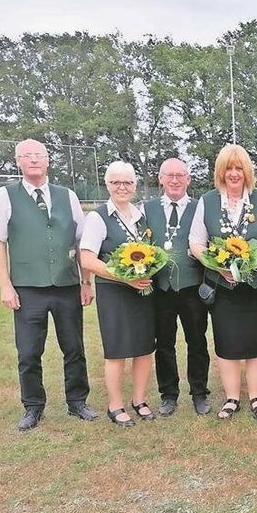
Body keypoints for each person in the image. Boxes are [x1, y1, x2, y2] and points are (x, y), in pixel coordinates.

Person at [0, 138, 97, 431]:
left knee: (74, 347)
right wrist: (5, 286)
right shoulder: (5, 196)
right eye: (27, 156)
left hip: (66, 285)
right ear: (18, 161)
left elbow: (81, 241)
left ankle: (77, 401)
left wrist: (86, 281)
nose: (33, 160)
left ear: (48, 161)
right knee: (29, 352)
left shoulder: (67, 195)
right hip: (27, 288)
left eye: (39, 155)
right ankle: (33, 406)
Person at [190, 144, 257, 421]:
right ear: (221, 171)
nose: (234, 173)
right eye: (229, 167)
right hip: (223, 288)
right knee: (227, 343)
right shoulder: (207, 201)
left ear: (247, 171)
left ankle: (256, 397)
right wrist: (216, 264)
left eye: (239, 167)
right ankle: (231, 398)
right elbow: (196, 242)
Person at [79, 161, 157, 427]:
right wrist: (125, 277)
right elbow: (87, 259)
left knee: (145, 348)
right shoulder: (98, 217)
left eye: (127, 183)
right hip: (114, 294)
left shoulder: (141, 216)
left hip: (143, 292)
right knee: (117, 351)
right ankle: (115, 405)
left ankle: (139, 400)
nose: (122, 187)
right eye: (116, 183)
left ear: (134, 185)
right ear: (107, 185)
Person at [142, 158, 211, 417]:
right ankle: (168, 394)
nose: (174, 180)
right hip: (161, 288)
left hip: (192, 286)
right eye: (169, 175)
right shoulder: (147, 209)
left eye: (180, 176)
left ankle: (200, 392)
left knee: (197, 341)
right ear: (160, 179)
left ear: (188, 179)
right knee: (164, 343)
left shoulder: (199, 207)